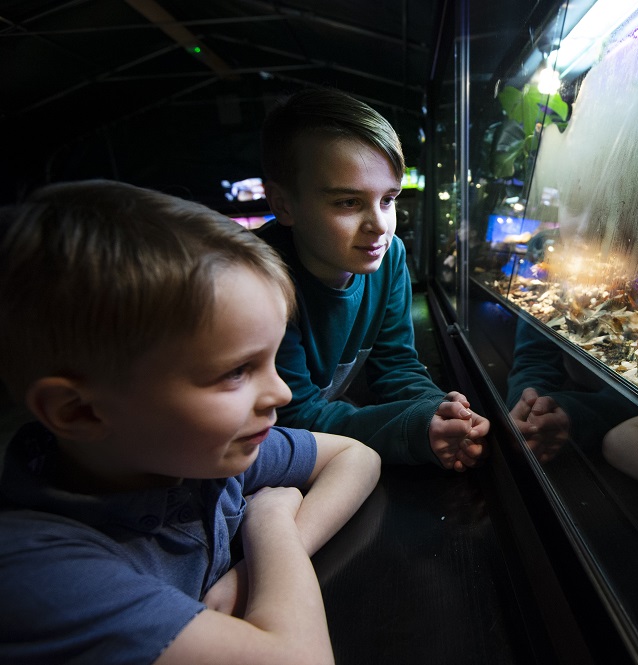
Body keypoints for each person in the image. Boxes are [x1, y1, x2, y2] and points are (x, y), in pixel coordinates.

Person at [0, 180, 381, 665]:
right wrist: (270, 524)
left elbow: (356, 456)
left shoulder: (188, 456)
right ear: (79, 412)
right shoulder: (34, 571)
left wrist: (248, 574)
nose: (282, 393)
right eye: (236, 371)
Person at [258, 87, 489, 471]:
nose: (380, 226)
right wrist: (414, 429)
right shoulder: (259, 278)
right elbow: (293, 417)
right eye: (348, 202)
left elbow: (395, 364)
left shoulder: (390, 255)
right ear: (283, 204)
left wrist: (441, 412)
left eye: (388, 199)